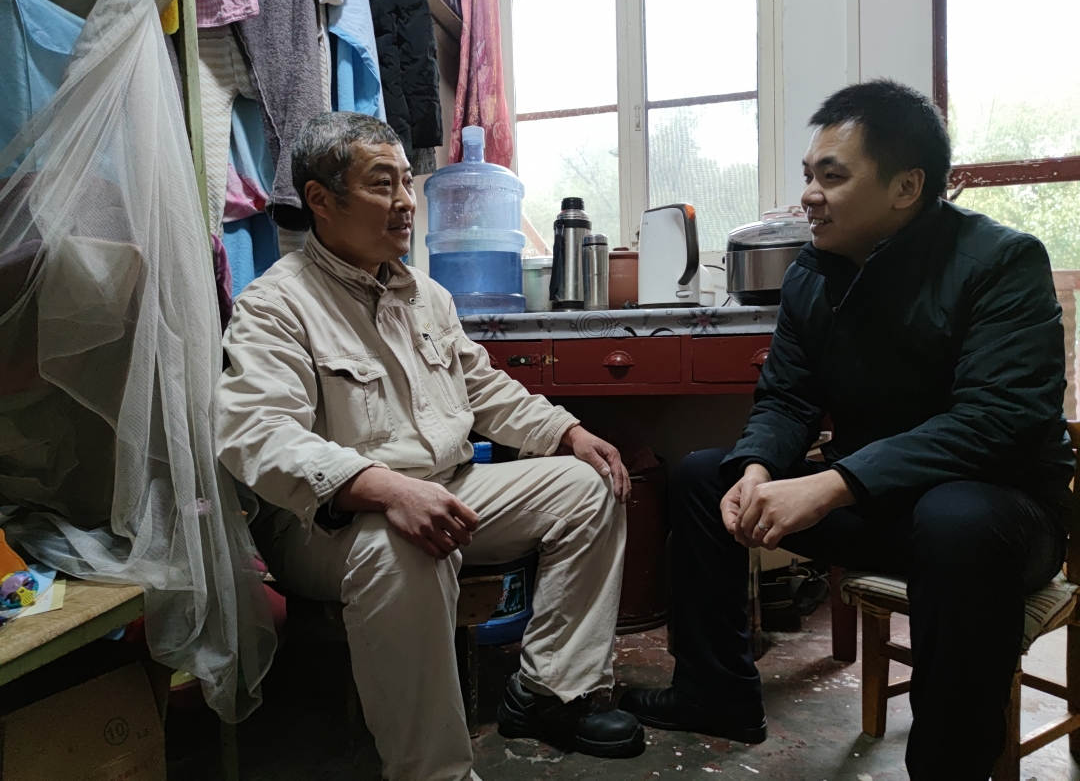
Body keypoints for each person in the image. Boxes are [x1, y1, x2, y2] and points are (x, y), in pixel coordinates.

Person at [619, 80, 1072, 780]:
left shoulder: (1002, 262)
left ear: (906, 187)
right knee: (706, 477)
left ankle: (947, 766)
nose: (809, 195)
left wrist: (834, 484)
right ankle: (714, 695)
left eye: (831, 177)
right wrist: (758, 470)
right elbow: (787, 398)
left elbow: (994, 421)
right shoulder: (813, 274)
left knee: (956, 519)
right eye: (809, 175)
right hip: (879, 505)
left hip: (1000, 516)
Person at [215, 111, 644, 781]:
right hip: (327, 521)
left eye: (407, 183)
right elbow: (256, 432)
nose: (406, 202)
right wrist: (383, 488)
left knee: (590, 486)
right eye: (382, 184)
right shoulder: (276, 305)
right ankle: (434, 771)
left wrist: (567, 431)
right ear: (321, 200)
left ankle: (550, 693)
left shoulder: (426, 294)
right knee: (402, 545)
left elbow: (484, 387)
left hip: (448, 486)